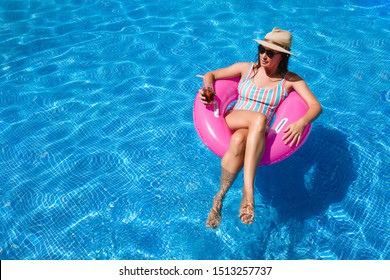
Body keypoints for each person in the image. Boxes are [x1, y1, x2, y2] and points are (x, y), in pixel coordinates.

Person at [198, 27, 322, 228]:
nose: (264, 55)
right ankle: (248, 192)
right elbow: (210, 75)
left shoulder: (290, 80)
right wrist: (209, 91)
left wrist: (301, 122)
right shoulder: (247, 69)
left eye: (270, 52)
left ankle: (218, 198)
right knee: (259, 119)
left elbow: (316, 106)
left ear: (282, 56)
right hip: (234, 119)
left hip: (254, 131)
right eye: (262, 49)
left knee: (239, 140)